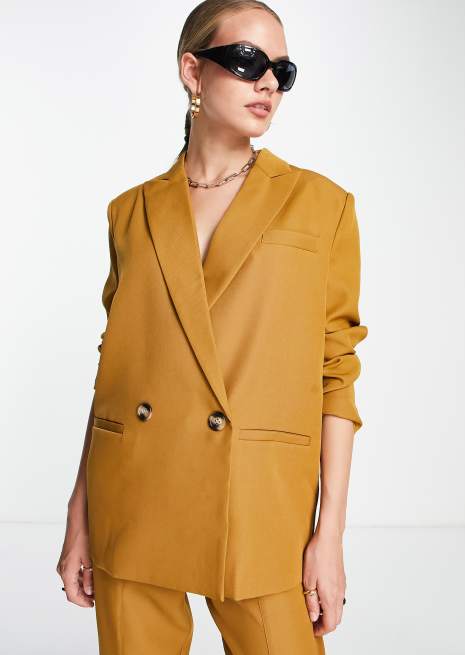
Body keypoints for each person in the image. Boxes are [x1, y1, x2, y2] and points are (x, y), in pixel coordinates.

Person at [56, 1, 368, 653]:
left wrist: (329, 534)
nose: (268, 83)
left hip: (258, 502)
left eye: (282, 70)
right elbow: (116, 374)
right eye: (248, 61)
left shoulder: (321, 205)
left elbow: (335, 374)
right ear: (192, 71)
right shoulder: (131, 212)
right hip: (133, 498)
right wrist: (79, 514)